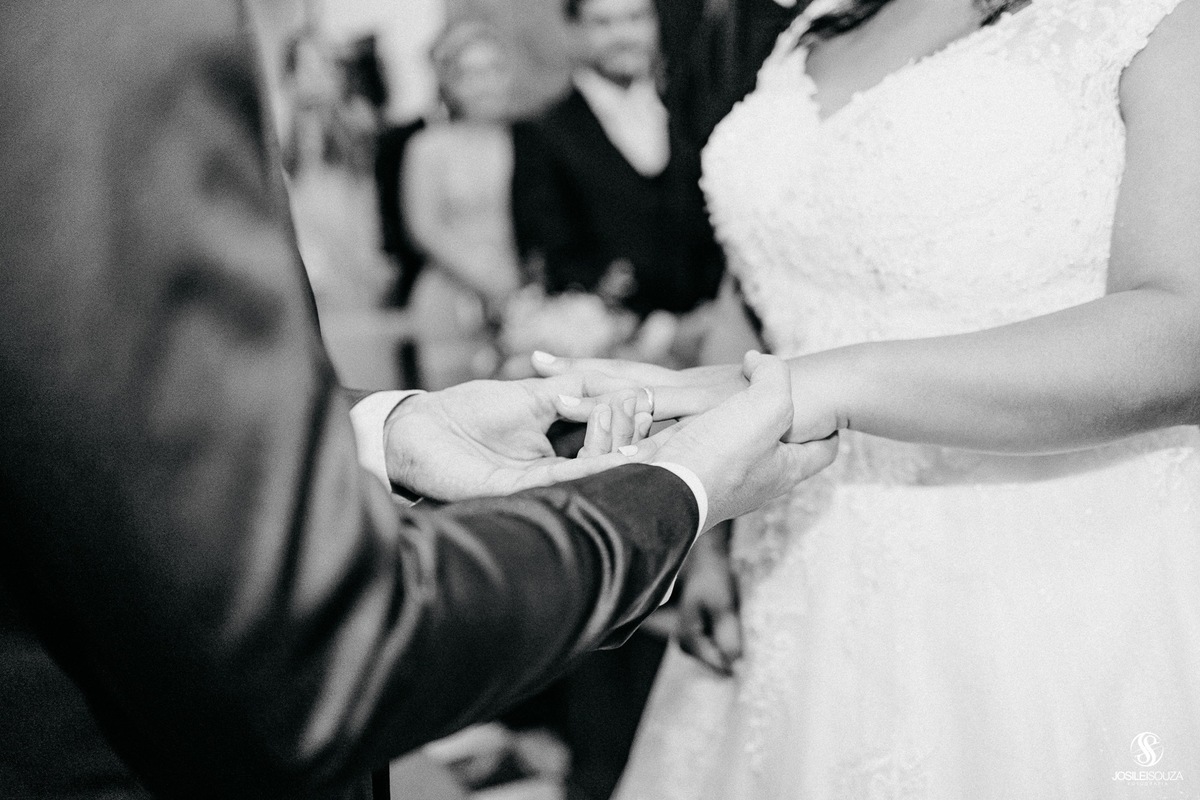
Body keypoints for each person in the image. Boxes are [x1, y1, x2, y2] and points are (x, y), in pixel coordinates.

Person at [0, 2, 841, 798]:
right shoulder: (108, 32)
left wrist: (393, 426)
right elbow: (324, 655)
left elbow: (109, 406)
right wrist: (671, 492)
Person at [532, 0, 1200, 794]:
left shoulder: (1143, 19)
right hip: (793, 571)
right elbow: (765, 272)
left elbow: (1179, 337)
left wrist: (824, 384)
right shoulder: (805, 30)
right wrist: (706, 518)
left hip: (1049, 569)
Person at [511, 0, 724, 322]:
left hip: (716, 326)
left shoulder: (692, 110)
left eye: (635, 18)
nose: (623, 35)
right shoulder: (543, 133)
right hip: (614, 339)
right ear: (574, 31)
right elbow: (550, 252)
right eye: (603, 23)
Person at [403, 21, 525, 389]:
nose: (485, 83)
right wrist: (483, 274)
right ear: (451, 83)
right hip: (449, 298)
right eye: (471, 73)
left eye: (493, 69)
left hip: (520, 295)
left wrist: (515, 285)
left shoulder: (527, 142)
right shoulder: (428, 148)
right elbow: (422, 227)